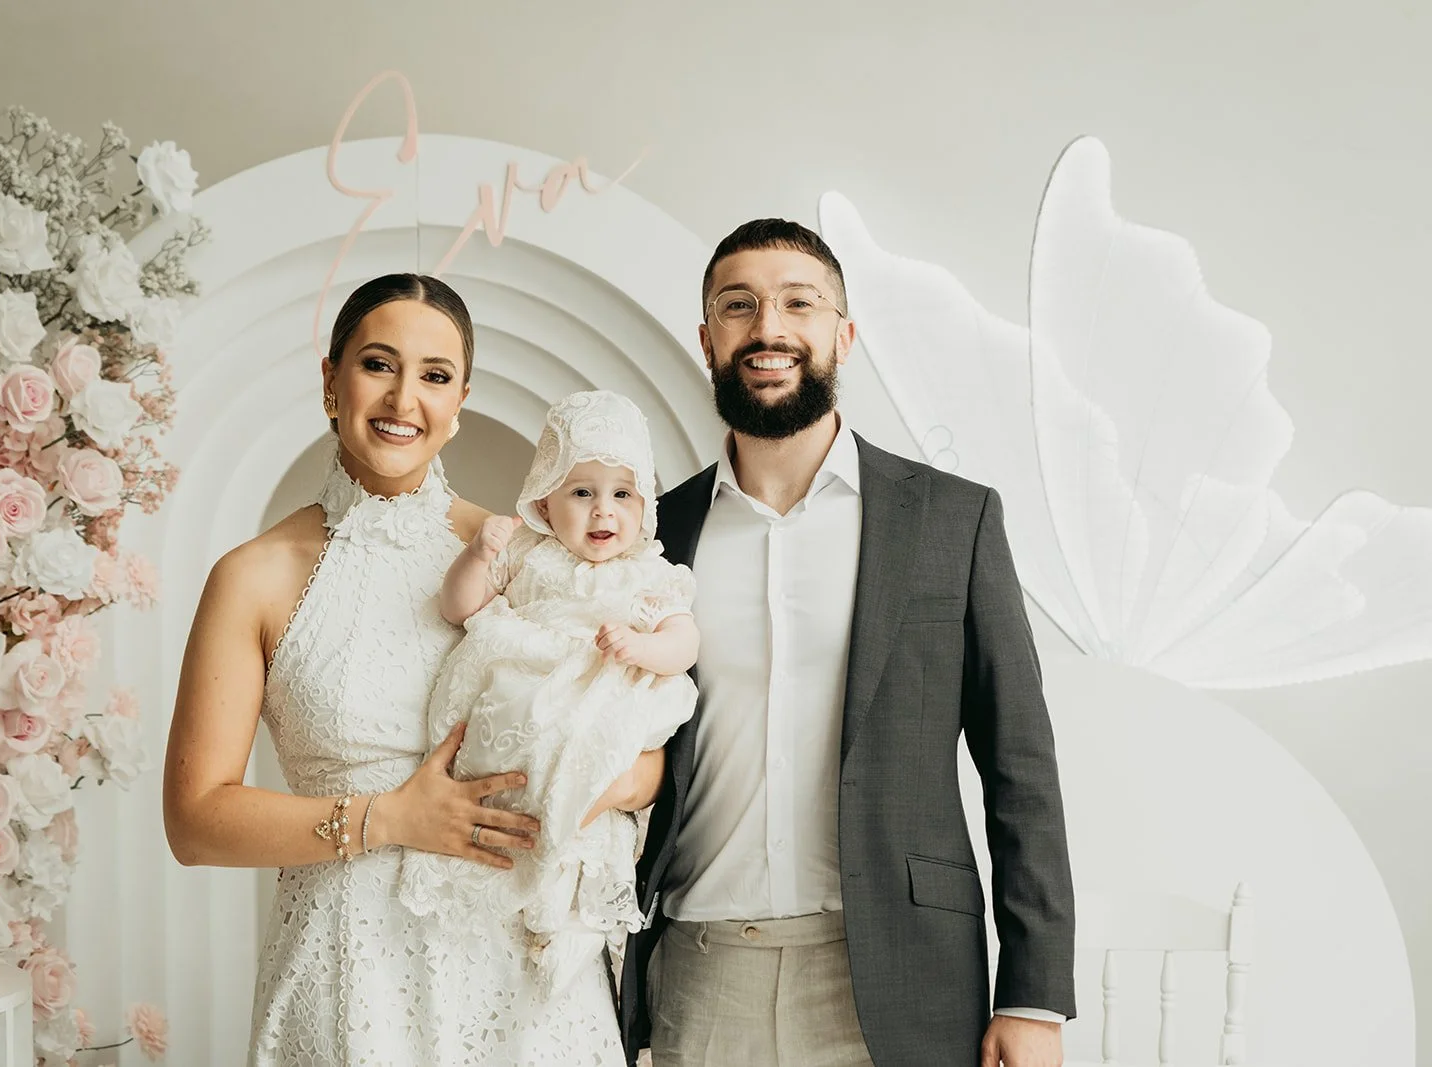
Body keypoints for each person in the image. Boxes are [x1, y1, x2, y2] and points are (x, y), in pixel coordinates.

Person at [162, 274, 661, 1066]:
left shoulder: (524, 559)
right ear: (330, 379)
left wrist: (625, 778)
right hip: (349, 969)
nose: (404, 399)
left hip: (523, 978)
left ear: (461, 398)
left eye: (434, 376)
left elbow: (629, 719)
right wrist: (388, 818)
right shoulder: (252, 576)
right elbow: (194, 819)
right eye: (377, 364)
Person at [619, 221, 1077, 1067]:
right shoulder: (649, 531)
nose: (769, 327)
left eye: (800, 301)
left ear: (845, 334)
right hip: (699, 969)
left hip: (899, 975)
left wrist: (1034, 992)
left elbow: (1022, 765)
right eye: (739, 305)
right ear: (708, 339)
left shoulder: (954, 519)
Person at [399, 389, 700, 998]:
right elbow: (459, 607)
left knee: (587, 804)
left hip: (600, 693)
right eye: (581, 492)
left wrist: (643, 649)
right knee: (516, 798)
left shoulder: (650, 573)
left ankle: (568, 921)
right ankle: (518, 889)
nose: (602, 512)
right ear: (545, 499)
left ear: (644, 501)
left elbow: (684, 641)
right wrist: (478, 557)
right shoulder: (528, 557)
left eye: (622, 494)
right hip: (527, 696)